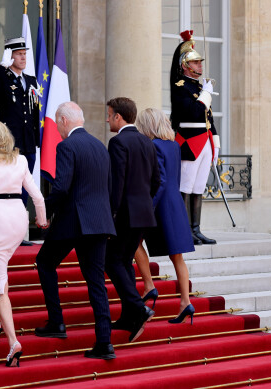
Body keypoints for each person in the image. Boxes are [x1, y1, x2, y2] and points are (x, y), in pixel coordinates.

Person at [34, 102, 117, 360]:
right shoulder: (100, 147)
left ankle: (57, 323)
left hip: (73, 222)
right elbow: (109, 188)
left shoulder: (66, 146)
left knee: (44, 262)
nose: (57, 128)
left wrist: (42, 210)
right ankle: (104, 343)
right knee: (96, 283)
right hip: (99, 222)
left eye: (57, 123)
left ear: (63, 121)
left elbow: (61, 189)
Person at [0, 120, 48, 367]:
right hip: (17, 221)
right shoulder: (22, 160)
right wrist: (42, 220)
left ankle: (13, 341)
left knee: (0, 283)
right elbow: (37, 196)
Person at [105, 97, 160, 343]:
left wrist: (111, 214)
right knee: (124, 260)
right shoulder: (147, 142)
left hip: (124, 214)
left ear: (119, 117)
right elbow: (156, 181)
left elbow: (117, 183)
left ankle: (137, 307)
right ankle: (129, 315)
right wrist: (143, 203)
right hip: (144, 213)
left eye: (109, 115)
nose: (107, 119)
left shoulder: (118, 142)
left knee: (111, 259)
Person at [135, 108, 196, 324]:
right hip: (175, 202)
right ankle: (185, 301)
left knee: (134, 241)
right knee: (177, 256)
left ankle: (149, 286)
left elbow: (158, 181)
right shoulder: (173, 145)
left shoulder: (153, 145)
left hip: (160, 205)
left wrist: (148, 208)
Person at [170, 30, 219, 245]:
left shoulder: (199, 87)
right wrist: (206, 94)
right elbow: (193, 111)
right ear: (185, 65)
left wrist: (215, 140)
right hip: (190, 141)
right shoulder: (180, 87)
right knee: (186, 186)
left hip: (204, 139)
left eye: (200, 62)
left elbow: (208, 117)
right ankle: (183, 229)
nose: (200, 66)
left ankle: (195, 229)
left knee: (199, 186)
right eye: (196, 62)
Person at [0, 37, 40, 207]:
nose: (23, 58)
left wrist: (37, 139)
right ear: (10, 56)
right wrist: (3, 67)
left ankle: (21, 218)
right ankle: (12, 219)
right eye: (19, 54)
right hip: (11, 141)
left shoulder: (30, 80)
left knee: (26, 184)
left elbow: (34, 111)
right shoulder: (3, 78)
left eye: (25, 54)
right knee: (10, 185)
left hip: (28, 141)